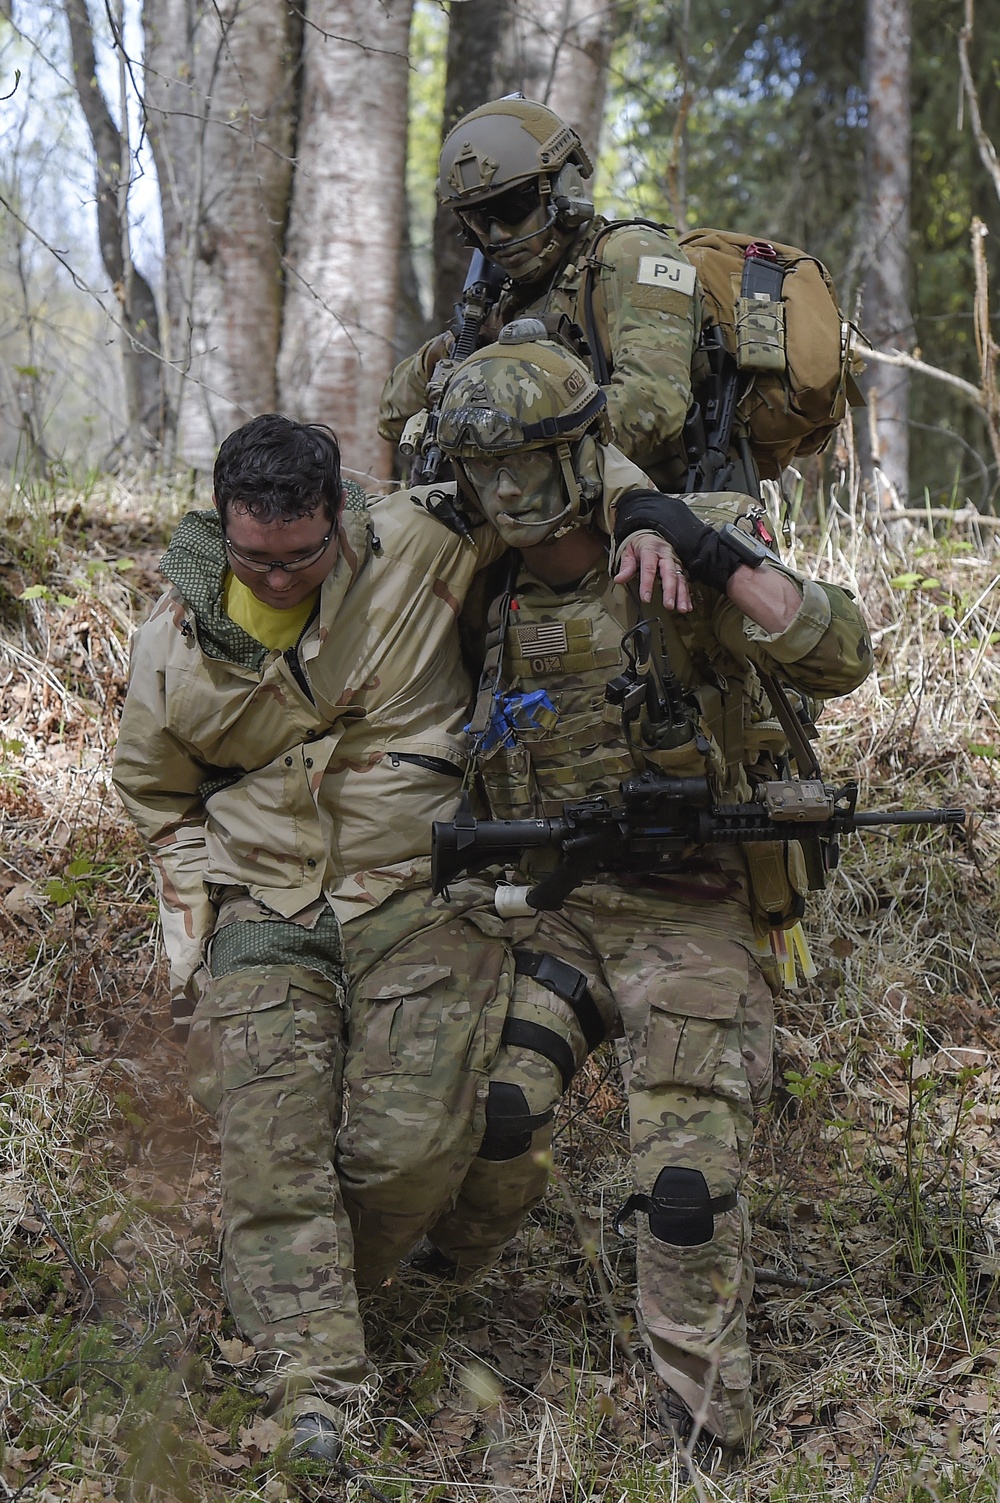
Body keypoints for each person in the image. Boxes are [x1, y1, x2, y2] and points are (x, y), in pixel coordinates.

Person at [112, 413, 631, 1461]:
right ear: (223, 525)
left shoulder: (423, 540)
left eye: (302, 554)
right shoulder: (177, 632)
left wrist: (660, 518)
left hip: (421, 891)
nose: (280, 576)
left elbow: (546, 482)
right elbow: (152, 789)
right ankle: (316, 1391)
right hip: (263, 904)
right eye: (256, 558)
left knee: (403, 1156)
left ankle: (320, 1300)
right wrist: (191, 919)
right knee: (274, 1157)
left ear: (338, 516)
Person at [414, 322, 874, 1463]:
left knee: (681, 1179)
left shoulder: (680, 548)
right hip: (553, 910)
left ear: (581, 452)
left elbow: (842, 654)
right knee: (493, 1112)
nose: (510, 492)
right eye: (487, 469)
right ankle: (419, 1308)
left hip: (693, 910)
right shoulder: (469, 572)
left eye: (530, 461)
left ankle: (705, 1431)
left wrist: (712, 551)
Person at [378, 96, 700, 491]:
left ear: (562, 188)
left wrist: (511, 440)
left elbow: (654, 405)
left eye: (513, 206)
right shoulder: (504, 301)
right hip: (526, 508)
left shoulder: (631, 254)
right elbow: (392, 414)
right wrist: (457, 348)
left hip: (640, 507)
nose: (498, 235)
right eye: (479, 218)